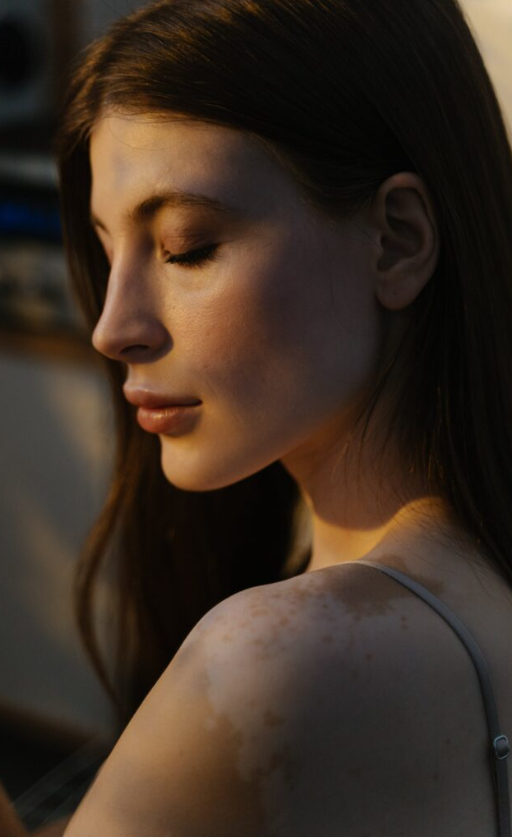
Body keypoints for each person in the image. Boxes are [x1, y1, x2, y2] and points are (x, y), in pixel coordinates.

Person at [51, 0, 512, 834]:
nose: (112, 327)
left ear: (397, 239)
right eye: (107, 246)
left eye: (185, 245)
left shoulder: (279, 659)